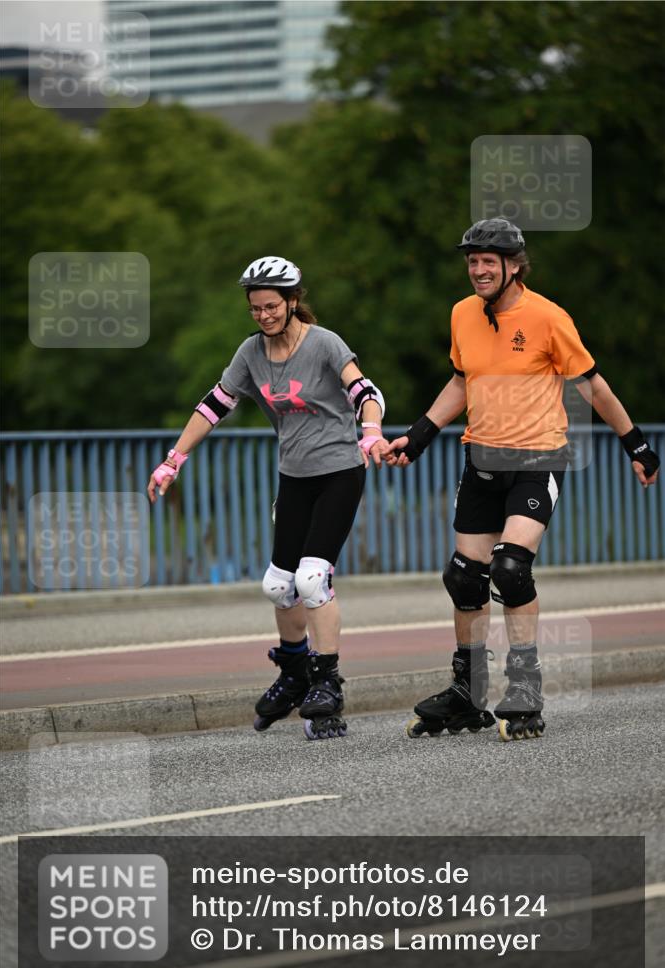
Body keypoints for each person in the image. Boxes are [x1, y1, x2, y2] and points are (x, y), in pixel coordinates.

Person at [386, 219, 660, 742]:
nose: (478, 269)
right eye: (472, 261)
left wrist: (636, 444)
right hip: (481, 461)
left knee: (509, 570)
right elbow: (462, 380)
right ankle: (468, 695)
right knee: (465, 577)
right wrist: (419, 434)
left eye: (489, 261)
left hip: (537, 460)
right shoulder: (463, 314)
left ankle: (526, 690)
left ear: (514, 265)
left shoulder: (548, 317)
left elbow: (594, 386)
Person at [148, 256, 390, 740]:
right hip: (294, 477)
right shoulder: (251, 353)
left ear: (293, 301)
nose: (263, 315)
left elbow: (366, 391)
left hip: (341, 471)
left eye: (272, 306)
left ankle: (327, 683)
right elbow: (214, 404)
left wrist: (371, 431)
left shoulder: (324, 343)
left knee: (312, 577)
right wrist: (174, 459)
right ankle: (294, 673)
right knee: (280, 586)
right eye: (255, 308)